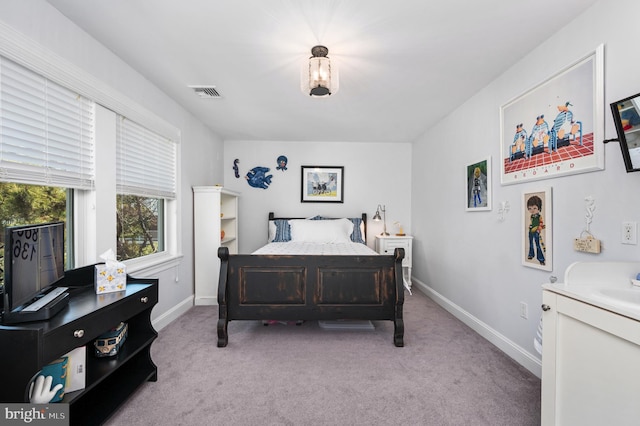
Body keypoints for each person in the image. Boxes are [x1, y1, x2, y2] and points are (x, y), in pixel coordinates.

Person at [527, 195, 545, 265]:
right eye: (530, 208)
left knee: (537, 244)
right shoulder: (531, 216)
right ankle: (531, 254)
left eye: (534, 208)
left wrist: (538, 229)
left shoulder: (539, 216)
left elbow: (541, 224)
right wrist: (530, 226)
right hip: (531, 231)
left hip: (536, 231)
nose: (532, 210)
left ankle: (541, 258)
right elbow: (532, 222)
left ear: (539, 208)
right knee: (531, 243)